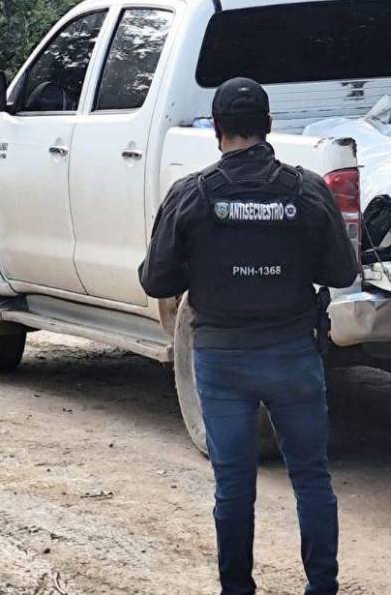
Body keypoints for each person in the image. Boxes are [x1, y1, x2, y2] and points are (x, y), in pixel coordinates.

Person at [139, 77, 359, 595]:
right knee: (311, 478)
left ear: (217, 129)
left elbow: (156, 280)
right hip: (292, 357)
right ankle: (322, 588)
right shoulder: (307, 191)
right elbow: (341, 271)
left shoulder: (190, 194)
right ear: (269, 126)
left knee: (234, 486)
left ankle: (237, 589)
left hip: (222, 363)